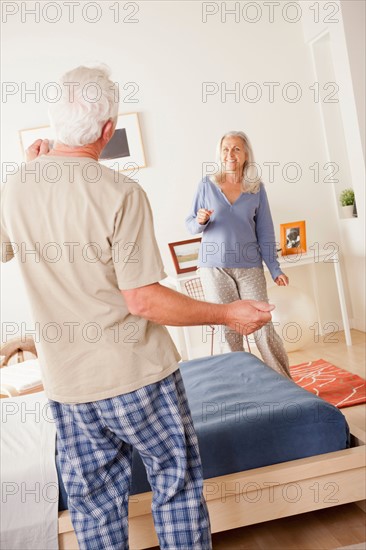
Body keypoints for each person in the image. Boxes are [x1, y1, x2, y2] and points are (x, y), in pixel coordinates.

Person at [1, 67, 275, 550]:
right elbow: (142, 299)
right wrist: (228, 314)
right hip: (137, 376)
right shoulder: (120, 193)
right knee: (175, 486)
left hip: (68, 386)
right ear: (108, 131)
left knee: (93, 506)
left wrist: (27, 171)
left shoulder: (16, 186)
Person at [186, 131, 291, 379]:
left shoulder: (256, 189)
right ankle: (240, 386)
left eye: (236, 149)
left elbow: (265, 233)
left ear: (245, 155)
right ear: (219, 153)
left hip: (249, 266)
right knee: (228, 329)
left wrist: (275, 269)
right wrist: (200, 221)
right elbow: (190, 224)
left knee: (262, 325)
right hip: (214, 268)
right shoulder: (206, 185)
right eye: (225, 149)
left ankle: (286, 383)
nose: (230, 154)